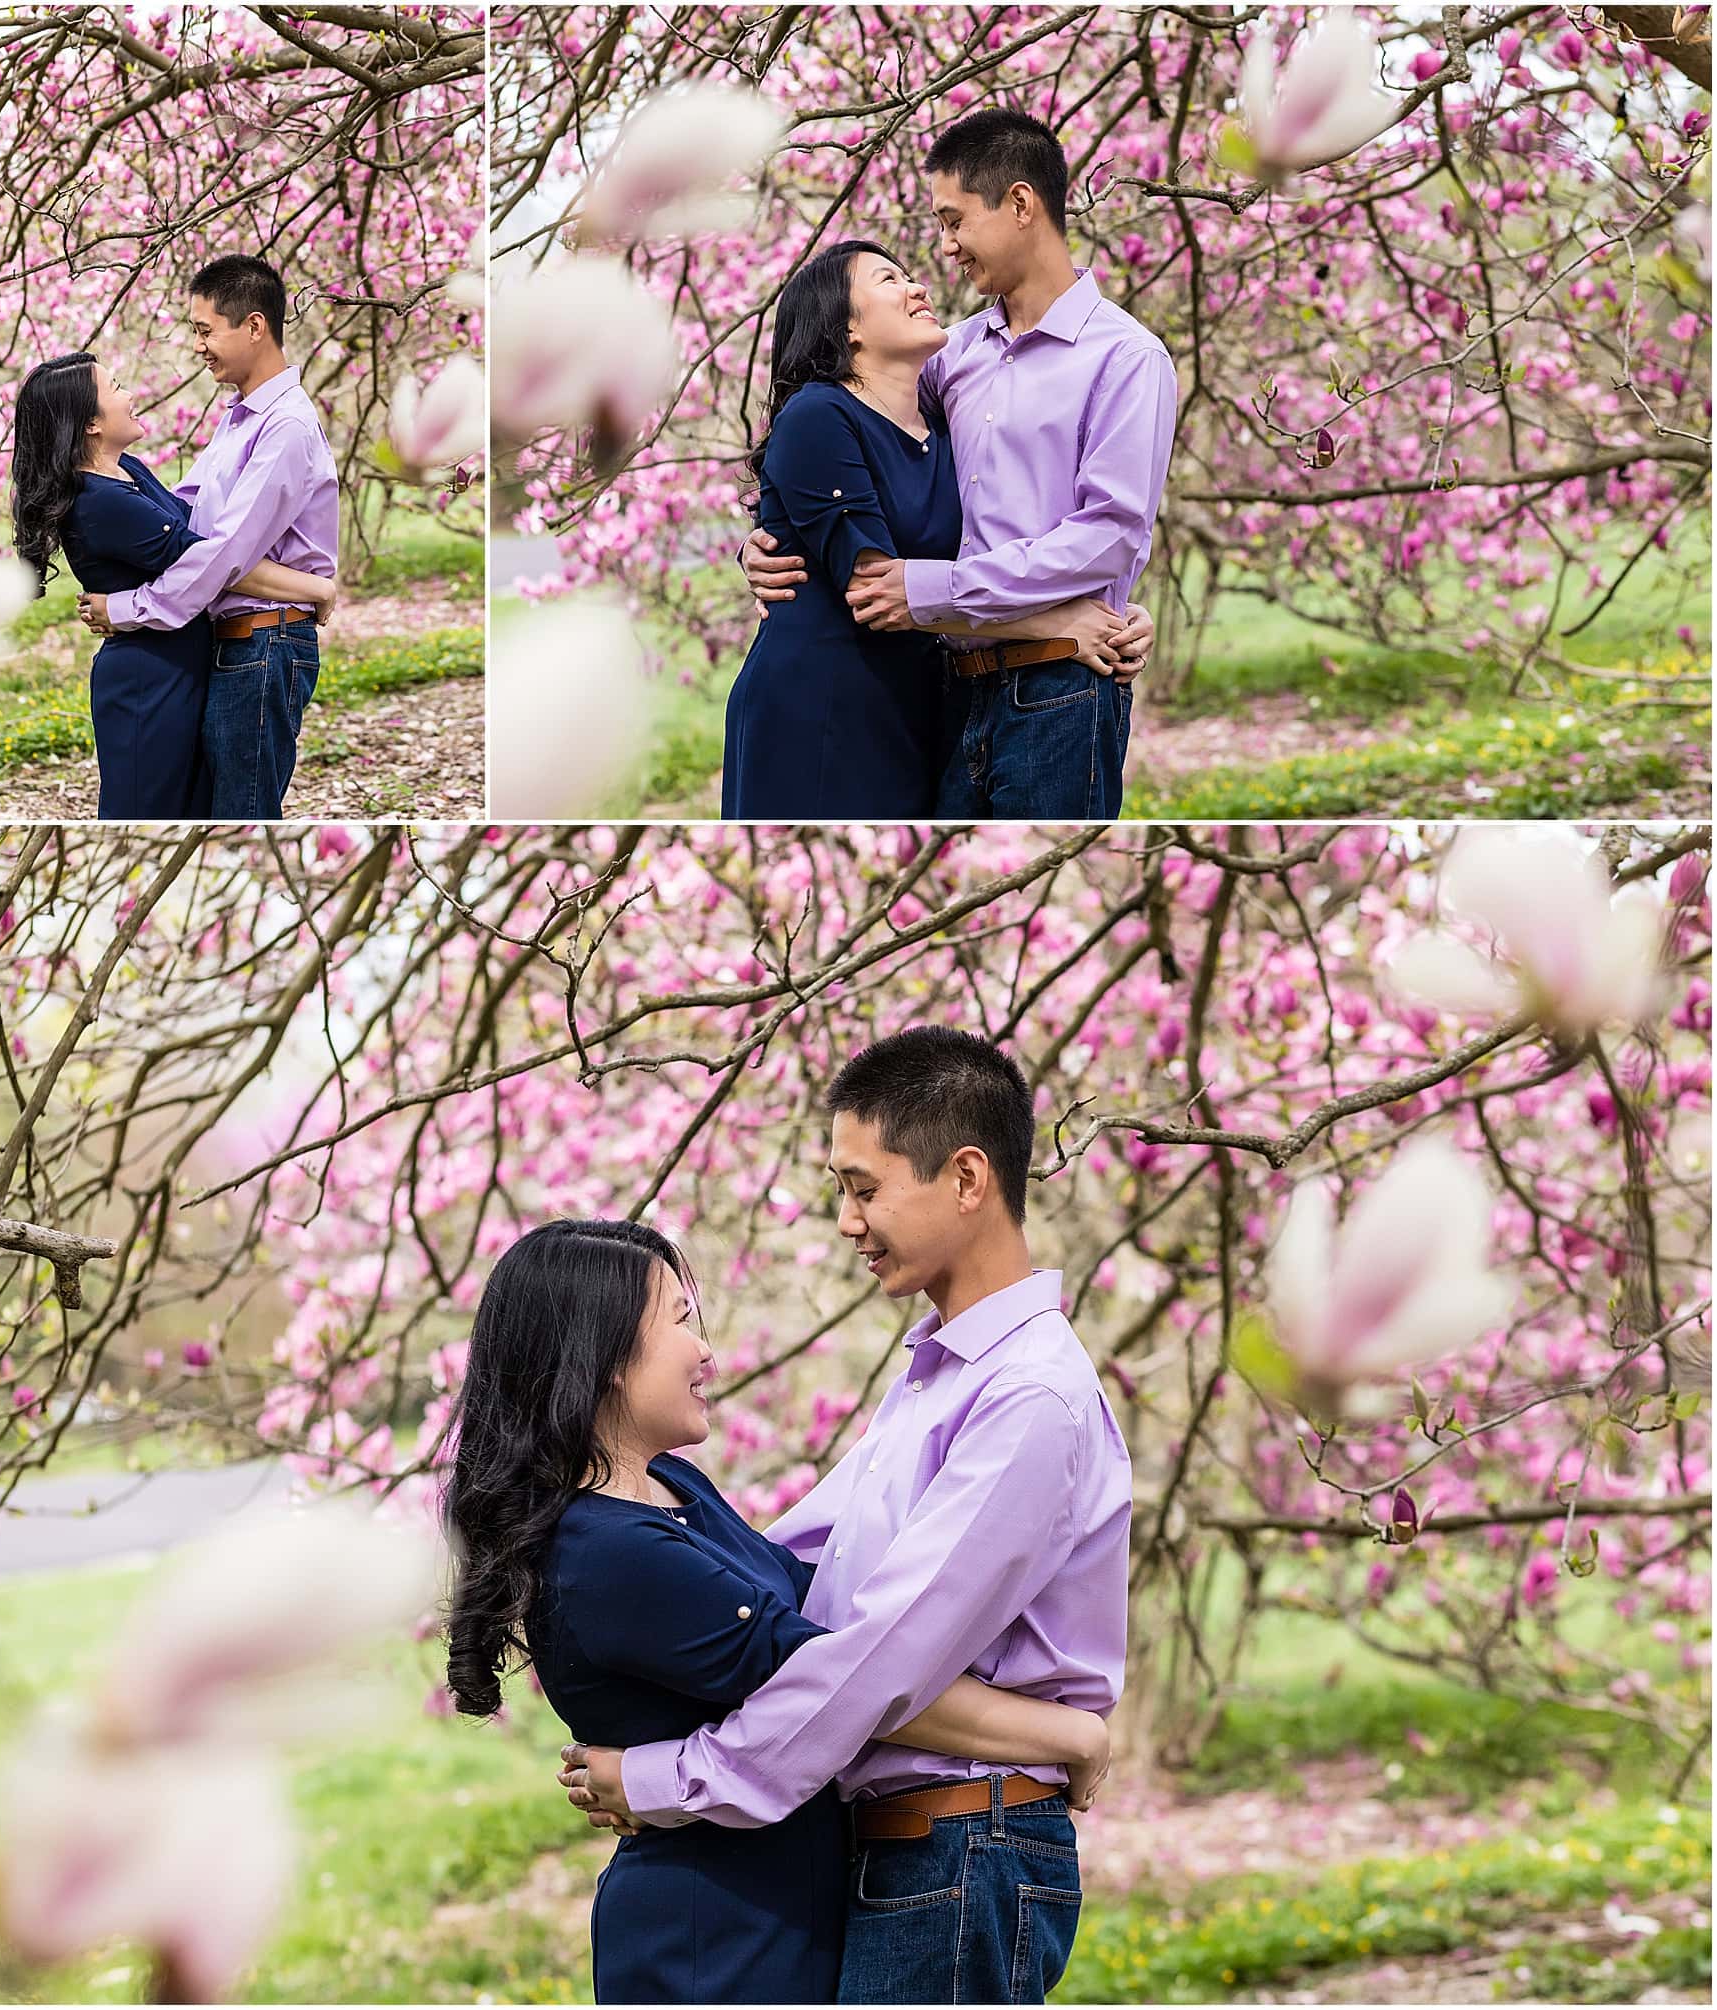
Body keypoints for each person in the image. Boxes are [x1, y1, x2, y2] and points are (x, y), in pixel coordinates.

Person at [560, 1029, 1133, 2006]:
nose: (844, 1221)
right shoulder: (943, 1378)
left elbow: (879, 1658)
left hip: (961, 1844)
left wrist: (669, 1781)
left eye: (864, 1188)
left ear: (965, 1178)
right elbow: (787, 1579)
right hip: (926, 1848)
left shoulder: (1025, 1399)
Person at [441, 1217, 1113, 2006]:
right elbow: (840, 1676)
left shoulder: (672, 1492)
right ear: (607, 1356)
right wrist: (1068, 1733)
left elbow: (821, 1601)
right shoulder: (610, 1553)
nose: (706, 1352)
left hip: (778, 1913)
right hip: (719, 1939)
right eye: (682, 1321)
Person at [745, 109, 1178, 819]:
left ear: (1018, 204)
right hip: (944, 690)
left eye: (954, 221)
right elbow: (848, 442)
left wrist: (933, 589)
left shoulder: (1127, 359)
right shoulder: (955, 355)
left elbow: (1108, 536)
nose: (944, 247)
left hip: (1060, 689)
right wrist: (768, 541)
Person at [10, 351, 335, 820]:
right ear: (90, 424)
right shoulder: (100, 501)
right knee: (147, 807)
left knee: (196, 806)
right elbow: (212, 560)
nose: (130, 394)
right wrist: (315, 588)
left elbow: (201, 535)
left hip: (180, 664)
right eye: (116, 387)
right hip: (150, 679)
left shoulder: (129, 473)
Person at [77, 254, 339, 820]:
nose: (198, 345)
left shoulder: (285, 427)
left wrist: (126, 608)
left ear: (253, 326)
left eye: (204, 330)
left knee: (240, 814)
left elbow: (221, 554)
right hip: (239, 642)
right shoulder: (240, 416)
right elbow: (187, 515)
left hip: (264, 643)